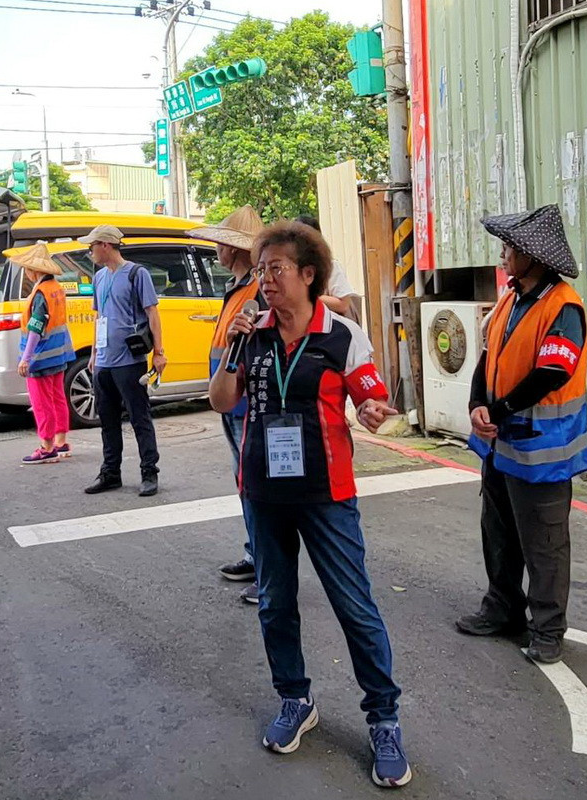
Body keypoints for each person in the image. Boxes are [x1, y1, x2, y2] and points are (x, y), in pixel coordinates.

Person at [209, 221, 411, 788]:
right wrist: (234, 347)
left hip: (327, 496)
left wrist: (373, 411)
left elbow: (372, 396)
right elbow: (221, 400)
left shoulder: (342, 335)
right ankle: (295, 700)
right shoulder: (250, 332)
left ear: (307, 275)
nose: (265, 279)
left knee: (355, 607)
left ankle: (384, 718)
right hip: (263, 491)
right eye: (261, 269)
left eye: (276, 269)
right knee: (275, 604)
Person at [457, 204, 587, 666]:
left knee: (545, 543)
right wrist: (478, 402)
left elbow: (552, 372)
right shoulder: (511, 299)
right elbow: (488, 355)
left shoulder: (564, 307)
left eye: (510, 247)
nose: (503, 254)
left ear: (534, 256)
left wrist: (496, 408)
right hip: (500, 442)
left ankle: (548, 628)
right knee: (498, 531)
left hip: (542, 450)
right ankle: (502, 607)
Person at [187, 205, 266, 605]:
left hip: (246, 401)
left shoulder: (255, 290)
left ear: (233, 250)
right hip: (231, 400)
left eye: (221, 243)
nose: (216, 249)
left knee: (254, 485)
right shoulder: (239, 287)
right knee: (245, 483)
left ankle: (268, 571)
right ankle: (256, 556)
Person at [82, 224, 165, 497]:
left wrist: (160, 352)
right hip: (104, 361)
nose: (89, 251)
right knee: (107, 420)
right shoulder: (99, 278)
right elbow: (98, 318)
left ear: (105, 245)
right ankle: (110, 472)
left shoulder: (136, 274)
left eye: (92, 245)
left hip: (130, 359)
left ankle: (149, 472)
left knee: (139, 417)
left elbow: (152, 313)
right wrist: (94, 354)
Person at [8, 243, 74, 464]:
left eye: (27, 268)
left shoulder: (40, 293)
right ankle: (61, 442)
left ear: (34, 270)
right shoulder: (56, 288)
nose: (26, 273)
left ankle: (46, 447)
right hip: (59, 354)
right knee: (58, 399)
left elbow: (36, 328)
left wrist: (25, 359)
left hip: (41, 356)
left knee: (41, 403)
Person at [295, 215, 361, 324]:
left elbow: (343, 304)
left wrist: (306, 296)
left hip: (333, 331)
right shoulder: (291, 269)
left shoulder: (330, 266)